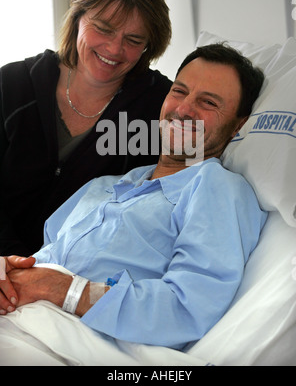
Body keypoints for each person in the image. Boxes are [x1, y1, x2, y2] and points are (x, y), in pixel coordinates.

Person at [0, 44, 267, 357]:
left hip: (61, 343)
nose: (184, 109)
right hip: (21, 319)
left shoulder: (217, 188)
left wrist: (68, 291)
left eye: (208, 102)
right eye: (179, 91)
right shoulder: (104, 187)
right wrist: (8, 273)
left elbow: (187, 307)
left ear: (237, 124)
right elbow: (43, 262)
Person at [0, 0, 172, 257]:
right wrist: (12, 263)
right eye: (103, 29)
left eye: (133, 40)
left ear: (150, 45)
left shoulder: (160, 107)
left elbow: (171, 203)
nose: (114, 49)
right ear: (78, 16)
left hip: (82, 275)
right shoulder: (13, 86)